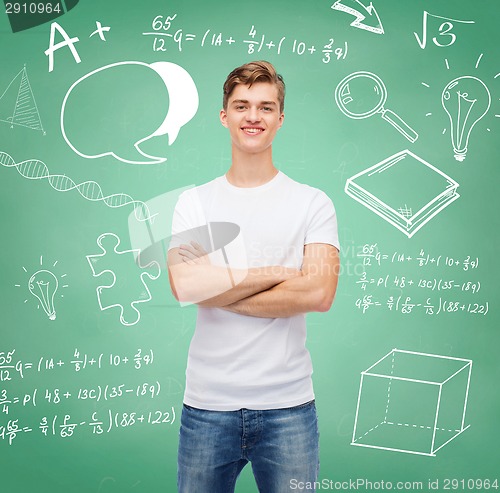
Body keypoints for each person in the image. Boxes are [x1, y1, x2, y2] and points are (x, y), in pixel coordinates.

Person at [167, 60, 340, 493]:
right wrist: (278, 275)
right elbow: (185, 286)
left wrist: (216, 287)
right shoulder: (194, 203)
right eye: (242, 106)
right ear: (224, 115)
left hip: (289, 407)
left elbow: (319, 292)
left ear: (280, 118)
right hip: (207, 405)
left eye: (265, 107)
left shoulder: (313, 203)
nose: (253, 117)